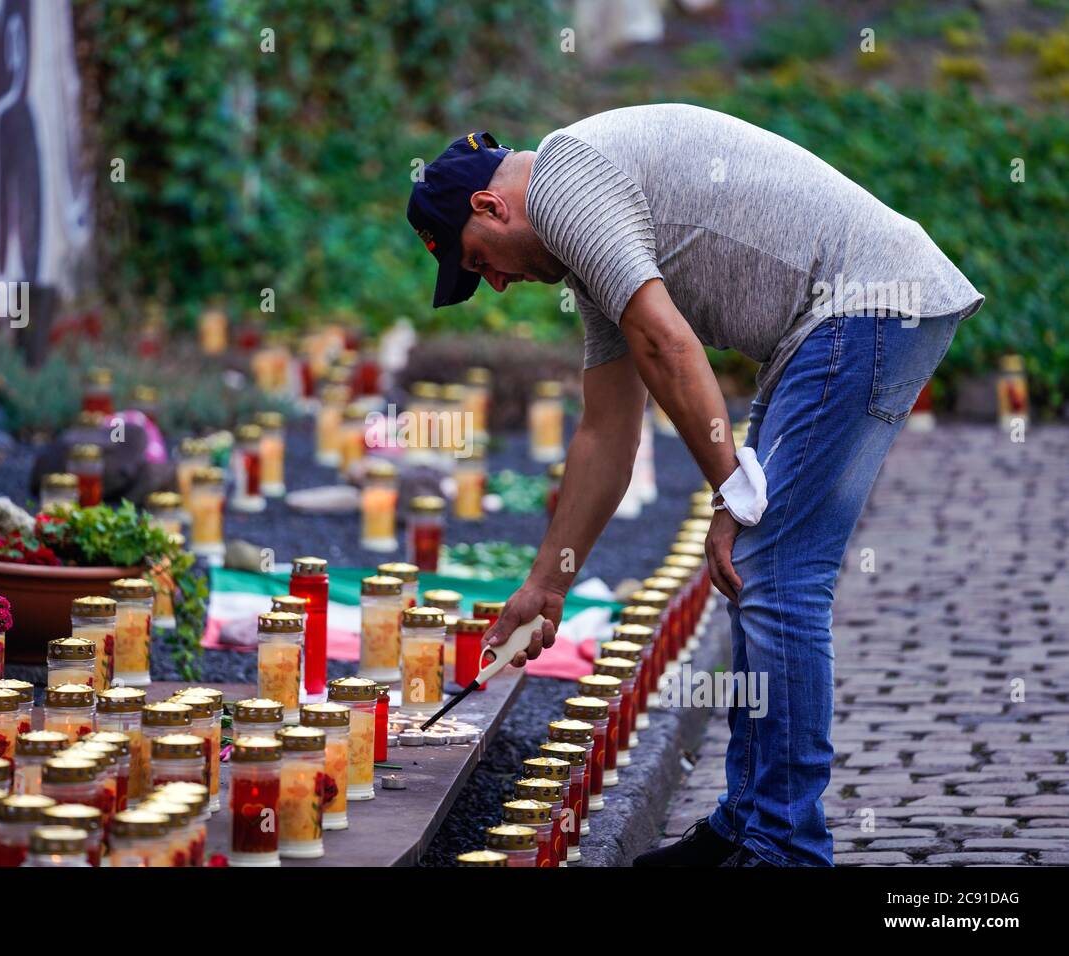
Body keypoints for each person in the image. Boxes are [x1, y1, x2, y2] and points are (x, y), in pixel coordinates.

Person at [405, 105, 983, 867]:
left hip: (867, 306)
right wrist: (547, 584)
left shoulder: (566, 182)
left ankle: (784, 848)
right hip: (840, 320)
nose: (500, 283)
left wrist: (731, 493)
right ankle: (749, 822)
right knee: (756, 569)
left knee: (777, 573)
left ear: (491, 205)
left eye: (481, 261)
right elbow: (609, 433)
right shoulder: (591, 245)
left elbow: (663, 339)